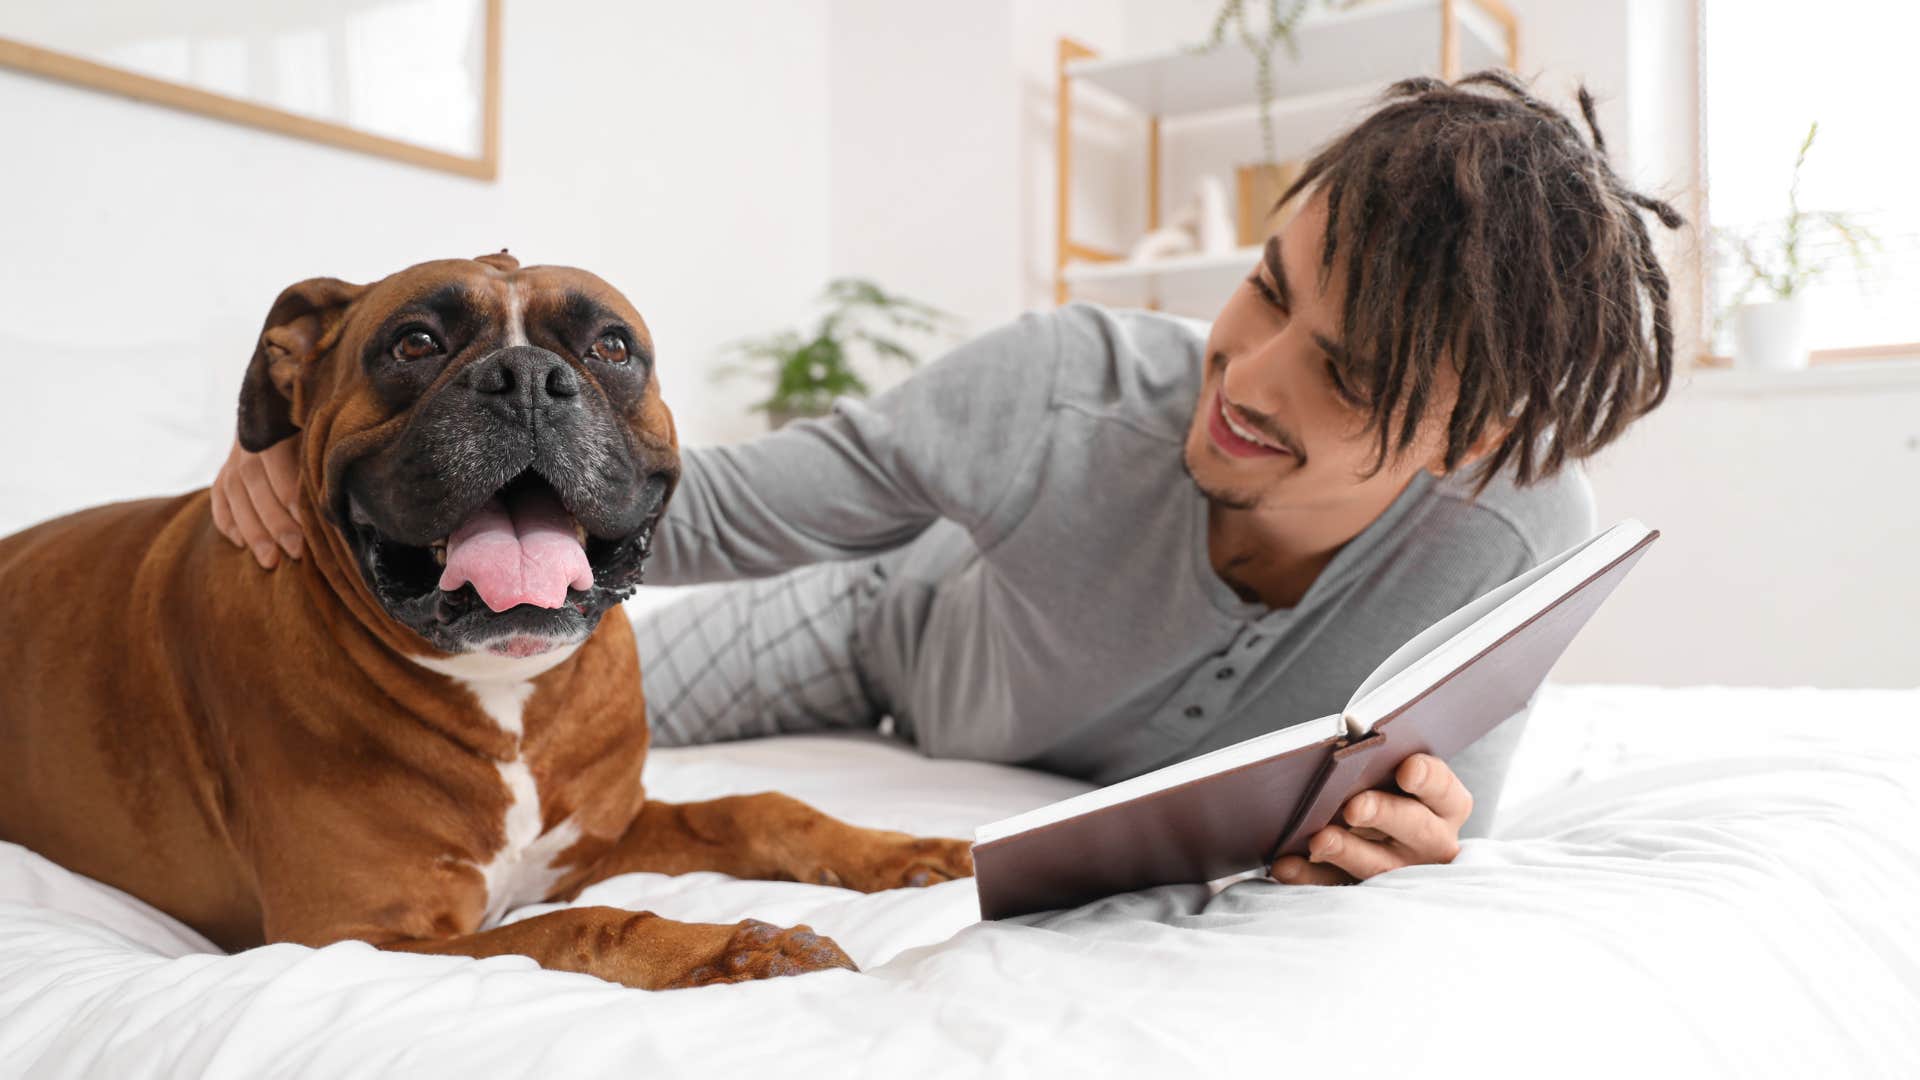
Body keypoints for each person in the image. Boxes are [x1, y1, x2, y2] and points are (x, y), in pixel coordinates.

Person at [214, 72, 1684, 888]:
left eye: (1348, 376)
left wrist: (1414, 837)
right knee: (584, 719)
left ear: (1472, 436)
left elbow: (1441, 801)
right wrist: (319, 433)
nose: (1248, 374)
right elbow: (696, 506)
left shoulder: (1516, 542)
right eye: (1263, 288)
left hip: (1025, 731)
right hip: (877, 632)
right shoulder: (1059, 390)